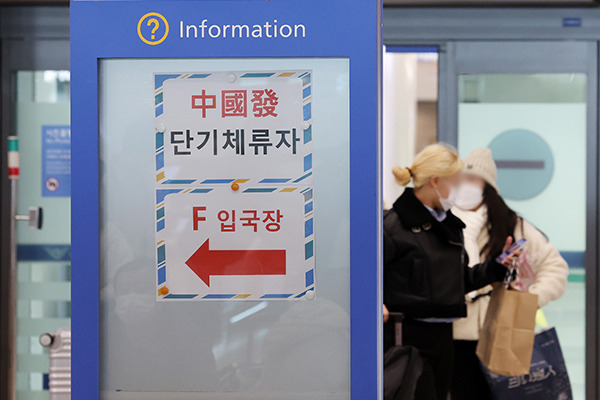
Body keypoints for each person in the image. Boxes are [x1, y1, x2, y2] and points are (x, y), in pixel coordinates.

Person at [383, 143, 516, 400]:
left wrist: (497, 268)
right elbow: (367, 278)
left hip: (445, 337)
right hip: (406, 338)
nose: (459, 191)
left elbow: (458, 281)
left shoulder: (451, 226)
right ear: (435, 181)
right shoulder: (394, 227)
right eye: (455, 183)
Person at [450, 148, 569, 400]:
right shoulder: (445, 223)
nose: (465, 187)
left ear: (488, 186)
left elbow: (555, 268)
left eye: (472, 180)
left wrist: (529, 300)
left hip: (503, 334)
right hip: (454, 336)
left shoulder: (513, 225)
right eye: (460, 180)